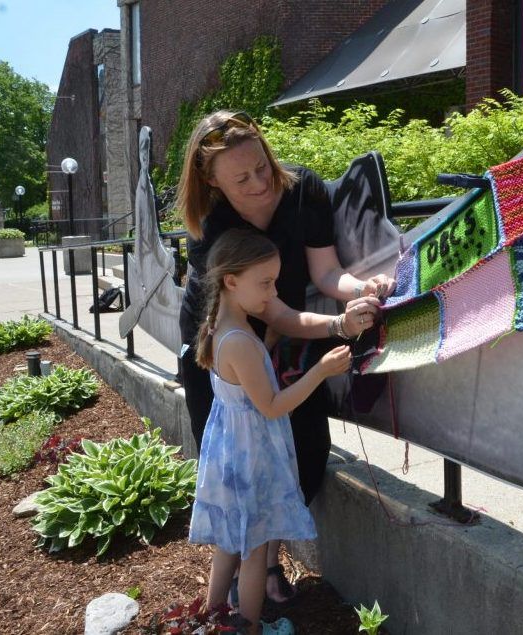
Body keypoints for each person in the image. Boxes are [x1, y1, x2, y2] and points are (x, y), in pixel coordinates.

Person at [177, 110, 394, 598]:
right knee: (242, 475)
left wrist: (361, 289)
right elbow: (249, 316)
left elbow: (324, 273)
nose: (258, 183)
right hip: (225, 351)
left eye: (261, 166)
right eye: (240, 177)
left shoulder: (304, 191)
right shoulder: (211, 224)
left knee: (300, 458)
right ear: (211, 181)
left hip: (282, 334)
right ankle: (242, 584)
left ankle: (262, 566)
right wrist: (308, 340)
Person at [188, 229, 352, 634]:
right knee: (255, 549)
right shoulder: (240, 341)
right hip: (251, 458)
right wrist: (322, 371)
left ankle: (213, 617)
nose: (273, 292)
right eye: (265, 283)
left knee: (229, 542)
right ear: (231, 281)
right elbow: (272, 405)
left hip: (232, 454)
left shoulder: (221, 327)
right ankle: (248, 625)